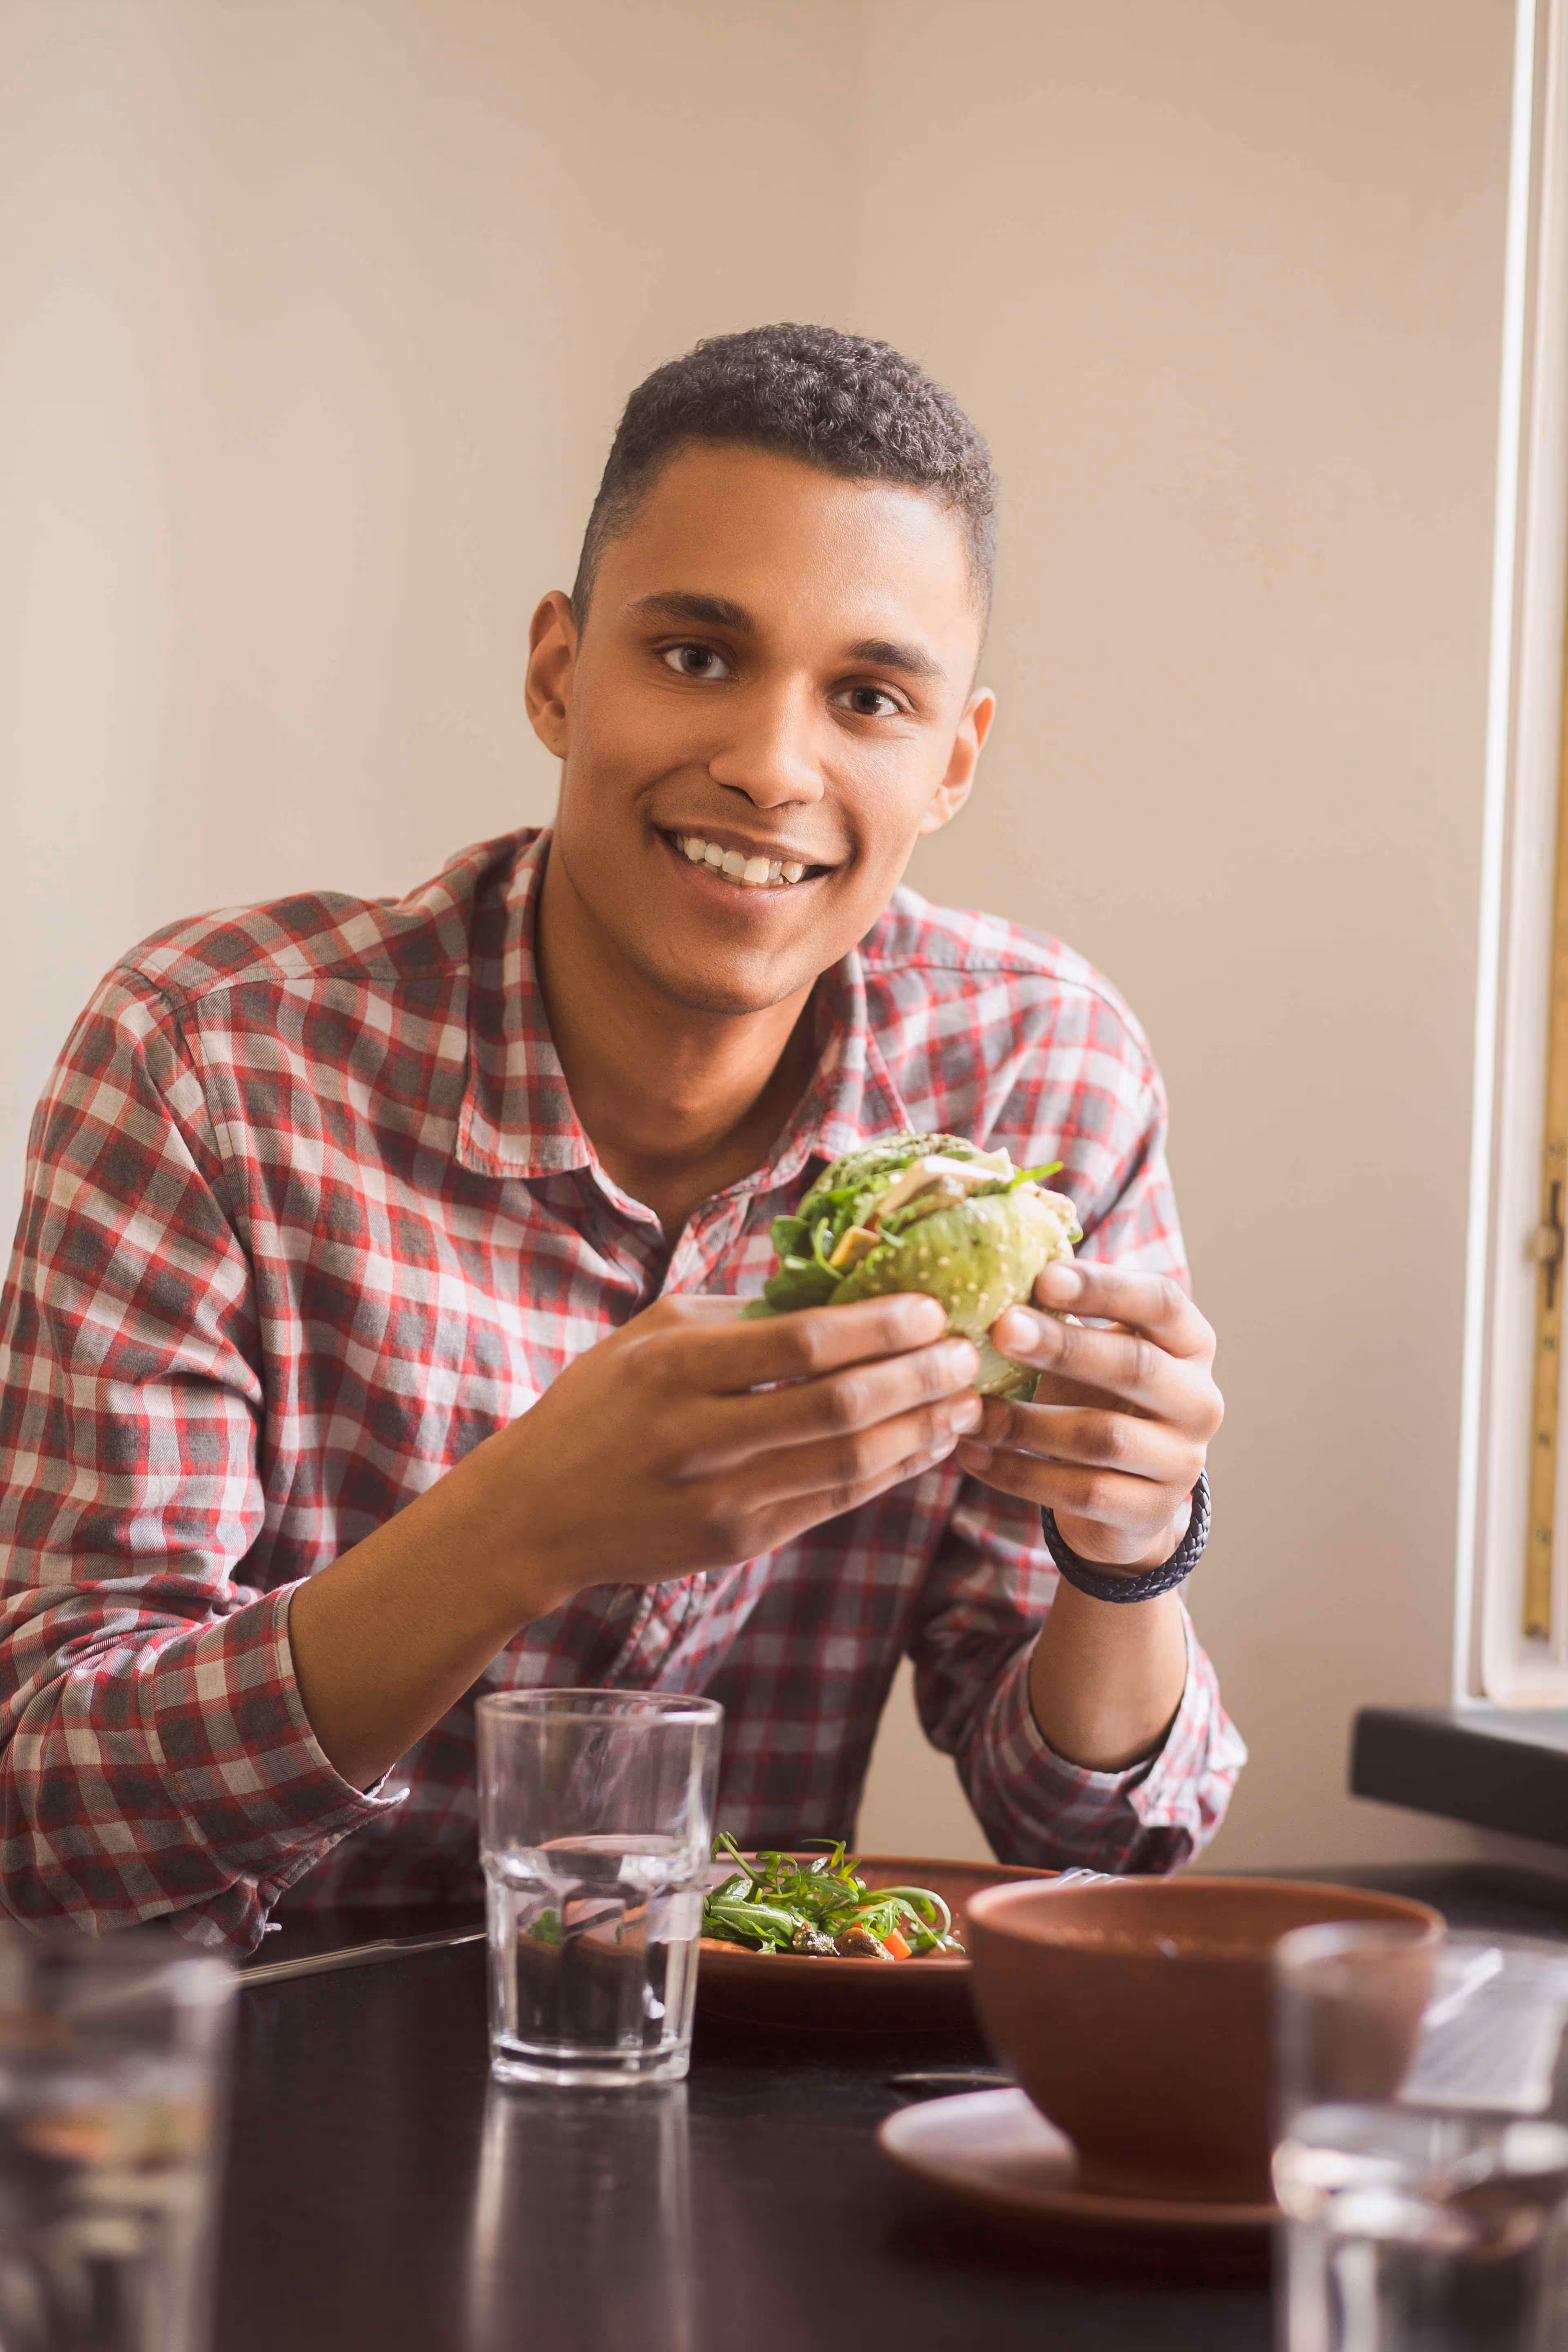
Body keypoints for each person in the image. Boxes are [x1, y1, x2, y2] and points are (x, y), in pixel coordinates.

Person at [0, 325, 1243, 1949]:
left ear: (951, 761)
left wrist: (1128, 1544)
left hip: (728, 2090)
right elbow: (51, 1819)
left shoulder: (1032, 1072)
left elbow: (1097, 1844)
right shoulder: (211, 1057)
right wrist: (529, 1520)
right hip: (240, 2096)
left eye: (866, 696)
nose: (771, 767)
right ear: (556, 673)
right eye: (699, 657)